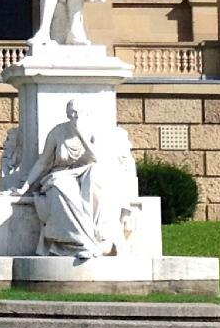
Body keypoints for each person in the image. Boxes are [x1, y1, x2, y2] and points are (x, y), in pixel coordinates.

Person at [15, 101, 137, 259]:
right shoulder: (57, 132)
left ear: (86, 113)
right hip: (62, 173)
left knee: (98, 179)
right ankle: (81, 241)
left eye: (79, 111)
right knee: (61, 187)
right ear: (67, 113)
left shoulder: (93, 130)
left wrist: (80, 133)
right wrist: (24, 186)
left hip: (88, 169)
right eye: (72, 112)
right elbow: (43, 161)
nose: (76, 115)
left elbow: (96, 158)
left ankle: (101, 237)